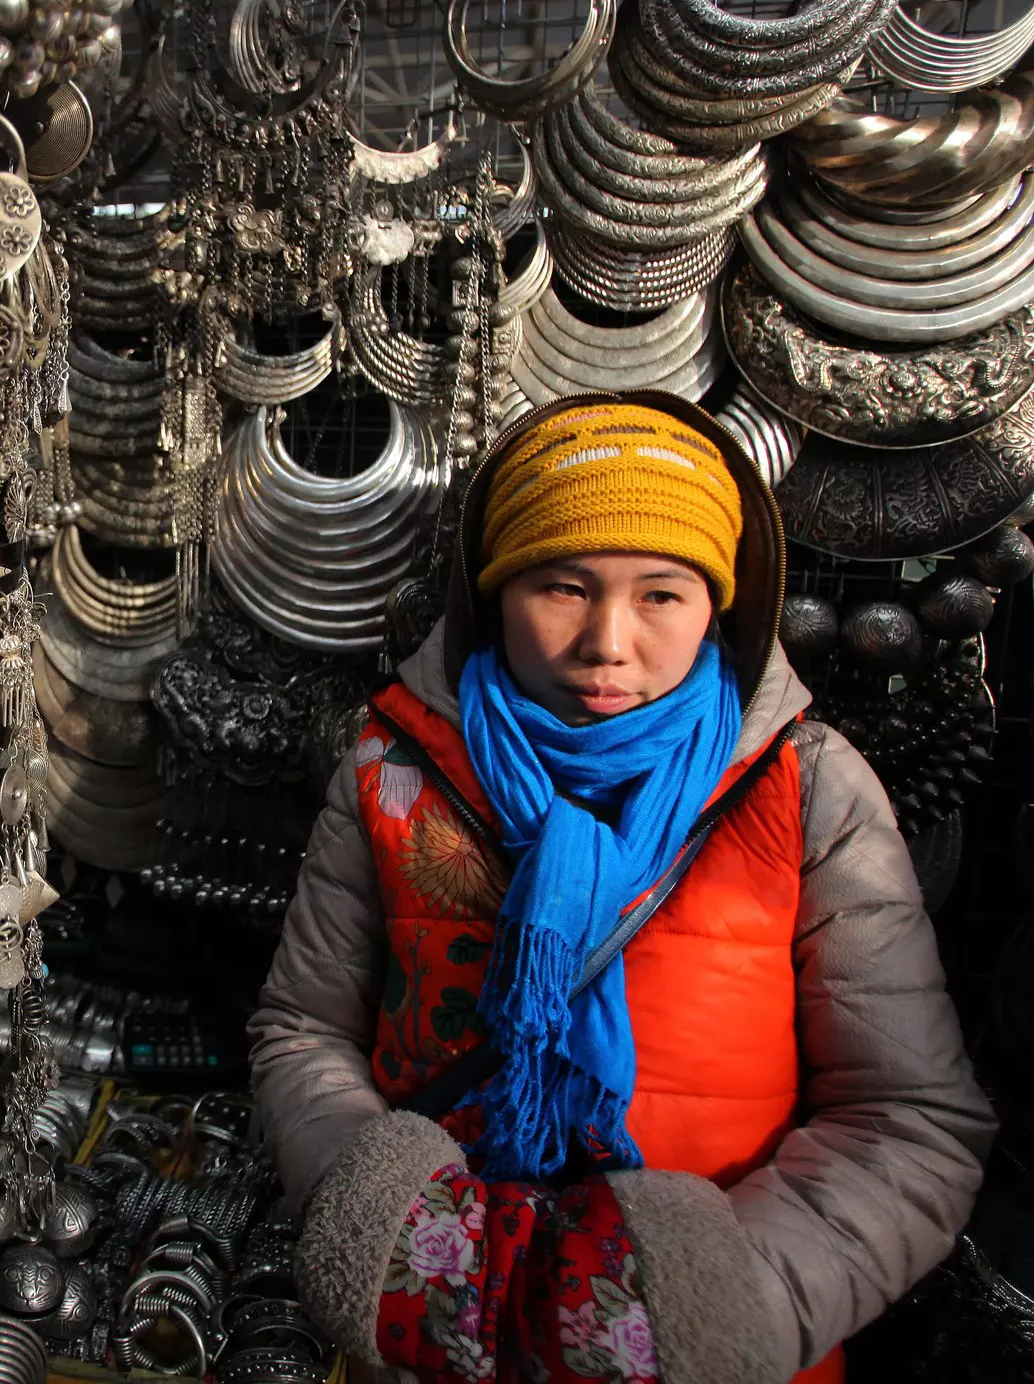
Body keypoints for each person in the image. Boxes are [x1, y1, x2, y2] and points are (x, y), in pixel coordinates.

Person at [250, 393, 995, 1384]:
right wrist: (386, 1224)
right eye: (561, 586)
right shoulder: (394, 772)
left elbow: (909, 1116)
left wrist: (730, 1297)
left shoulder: (802, 785)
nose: (607, 641)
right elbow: (303, 1028)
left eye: (660, 595)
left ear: (716, 606)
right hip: (435, 1346)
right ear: (493, 590)